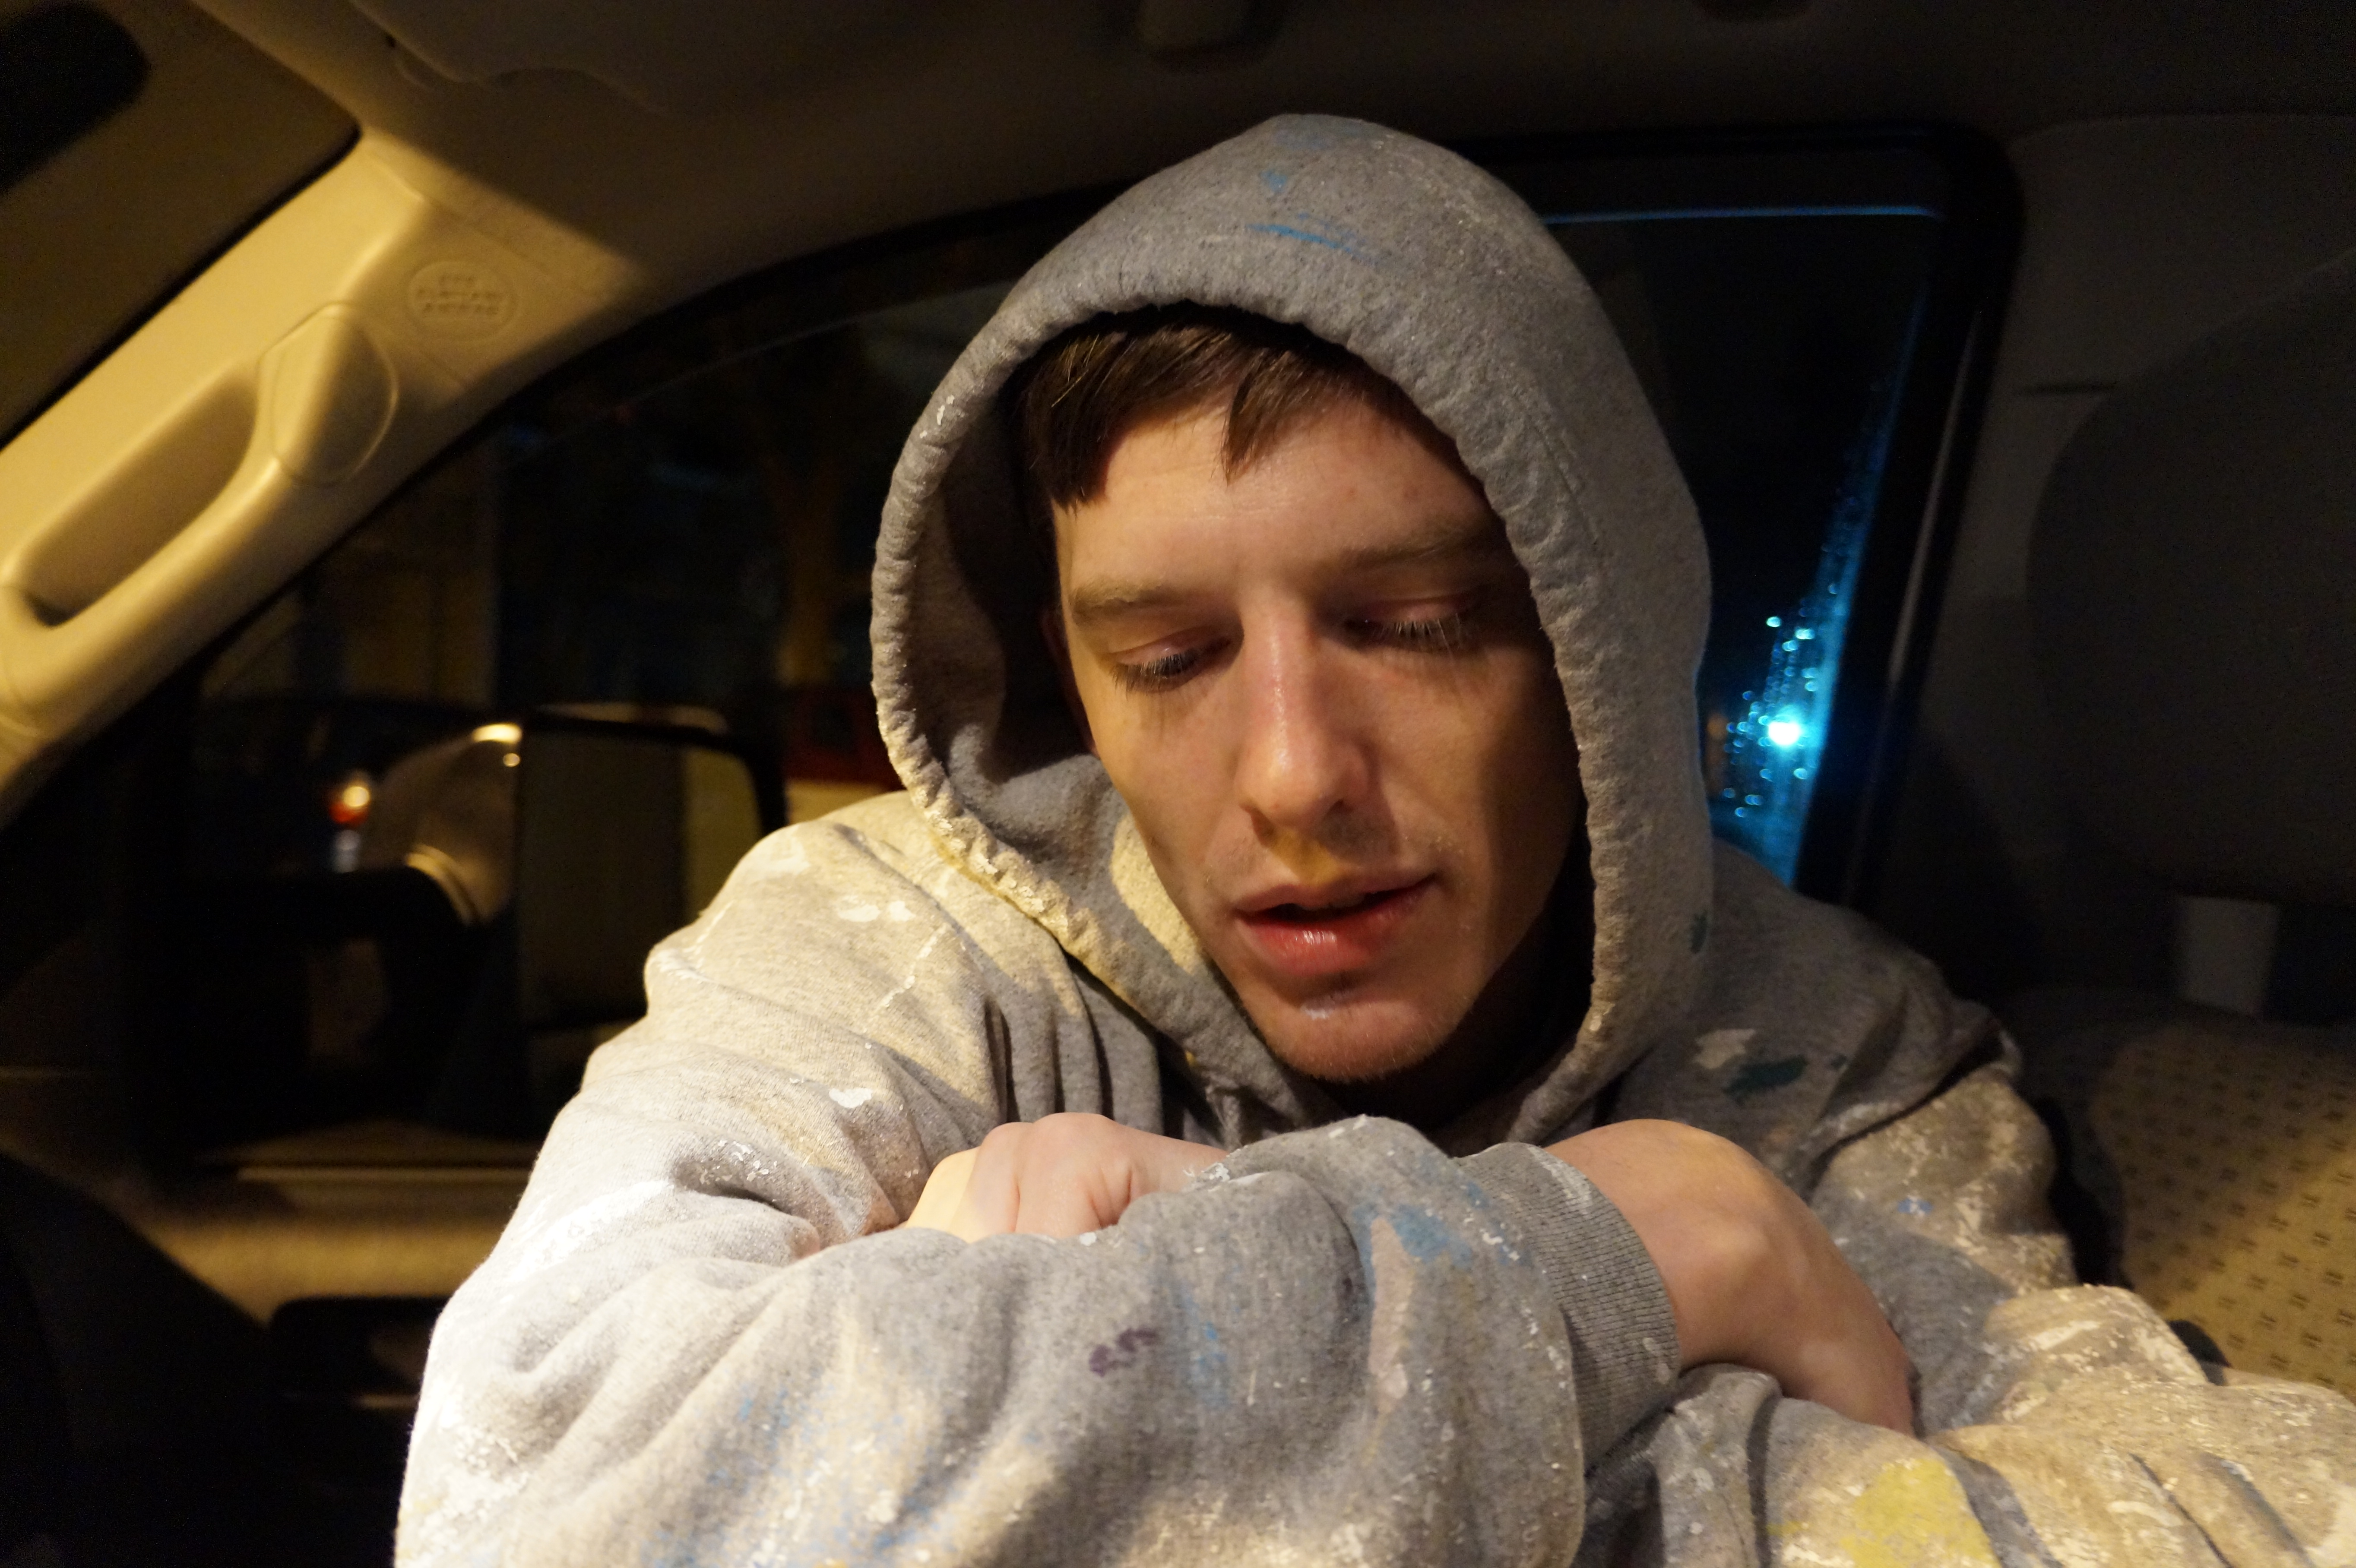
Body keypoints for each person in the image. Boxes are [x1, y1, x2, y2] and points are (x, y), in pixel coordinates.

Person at [398, 116, 2354, 1566]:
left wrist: (1107, 1385)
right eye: (1166, 656)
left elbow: (2218, 1526)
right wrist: (1633, 1254)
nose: (1289, 776)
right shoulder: (895, 945)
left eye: (1415, 626)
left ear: (1592, 655)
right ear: (1067, 677)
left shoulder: (1825, 1048)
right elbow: (546, 1503)